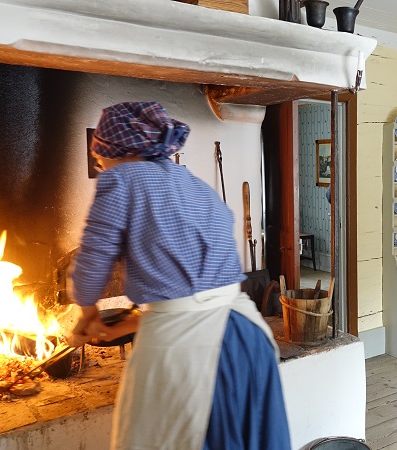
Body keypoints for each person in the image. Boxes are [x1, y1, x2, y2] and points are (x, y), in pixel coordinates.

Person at [67, 101, 290, 450]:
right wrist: (131, 322)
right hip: (246, 335)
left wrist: (87, 313)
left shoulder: (119, 180)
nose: (100, 165)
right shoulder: (193, 183)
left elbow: (93, 260)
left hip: (192, 353)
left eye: (99, 158)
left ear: (115, 151)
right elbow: (194, 295)